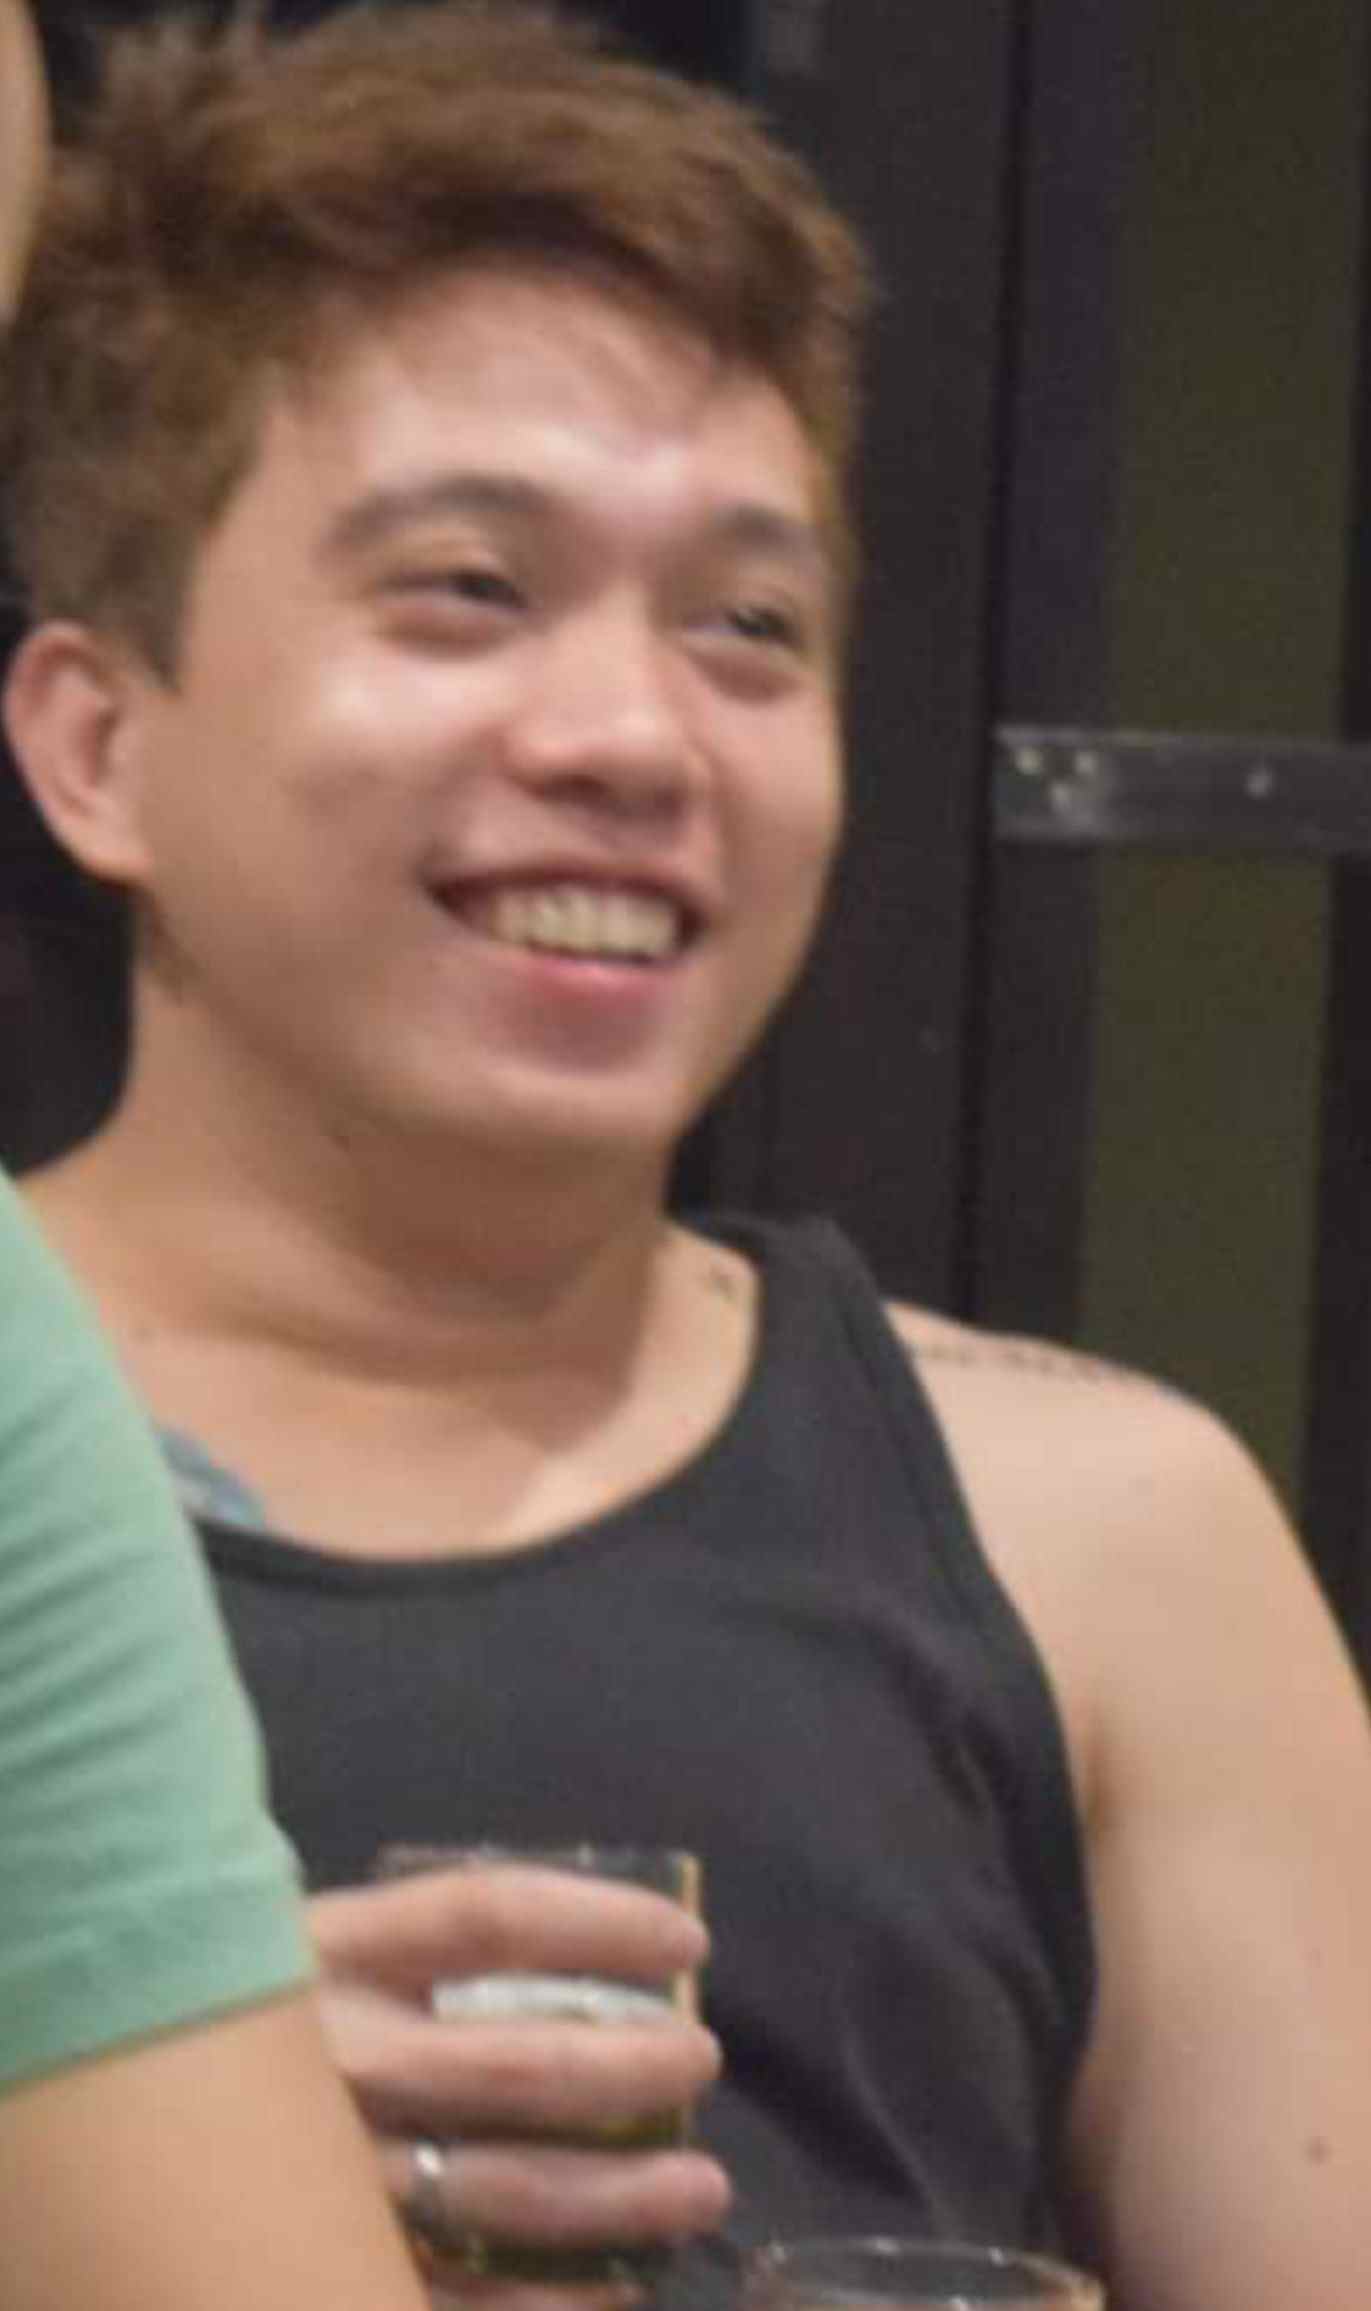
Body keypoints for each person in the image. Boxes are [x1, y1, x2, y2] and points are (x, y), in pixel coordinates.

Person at [3, 5, 1371, 2308]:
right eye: (468, 587)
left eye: (750, 627)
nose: (633, 736)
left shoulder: (1097, 1541)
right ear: (96, 742)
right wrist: (125, 2127)